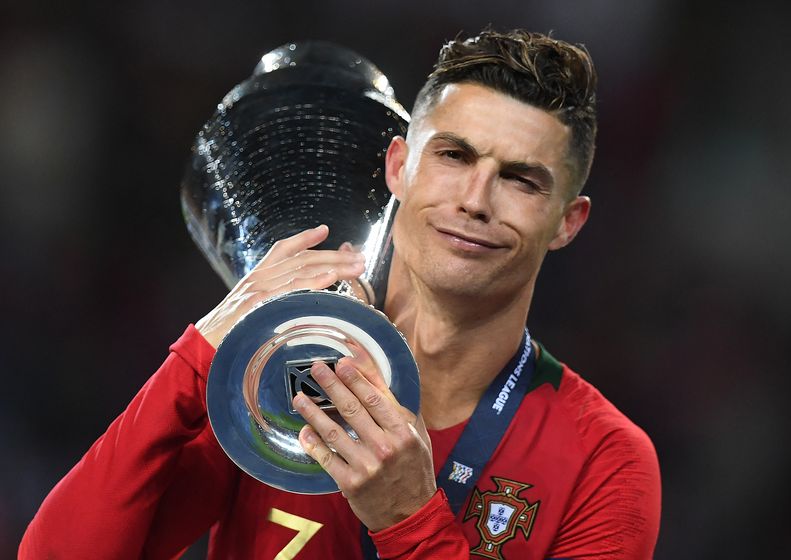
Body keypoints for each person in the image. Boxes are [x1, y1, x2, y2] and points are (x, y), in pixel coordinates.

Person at [20, 29, 661, 559]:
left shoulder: (605, 461)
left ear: (567, 223)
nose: (474, 201)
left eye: (520, 180)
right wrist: (198, 356)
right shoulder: (276, 374)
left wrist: (409, 521)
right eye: (454, 156)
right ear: (397, 168)